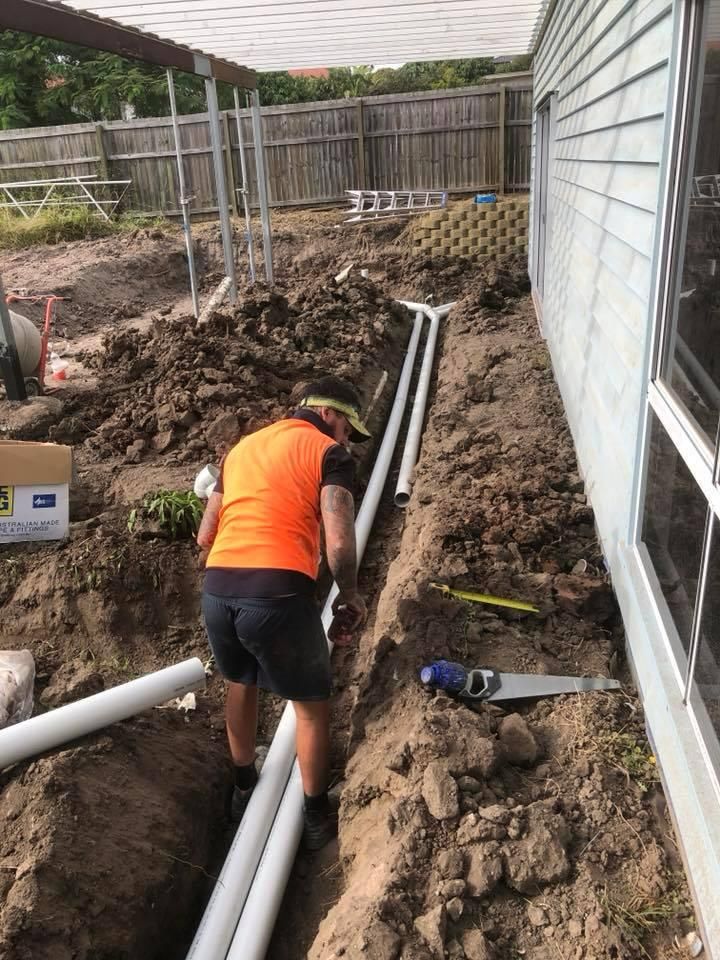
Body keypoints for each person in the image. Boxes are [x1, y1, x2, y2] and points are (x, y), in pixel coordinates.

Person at [197, 375, 369, 850]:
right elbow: (338, 540)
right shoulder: (328, 453)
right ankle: (315, 817)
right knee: (311, 709)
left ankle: (244, 786)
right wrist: (349, 594)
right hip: (276, 594)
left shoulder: (243, 449)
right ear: (330, 414)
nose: (348, 439)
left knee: (240, 682)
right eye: (349, 428)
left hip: (218, 590)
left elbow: (205, 534)